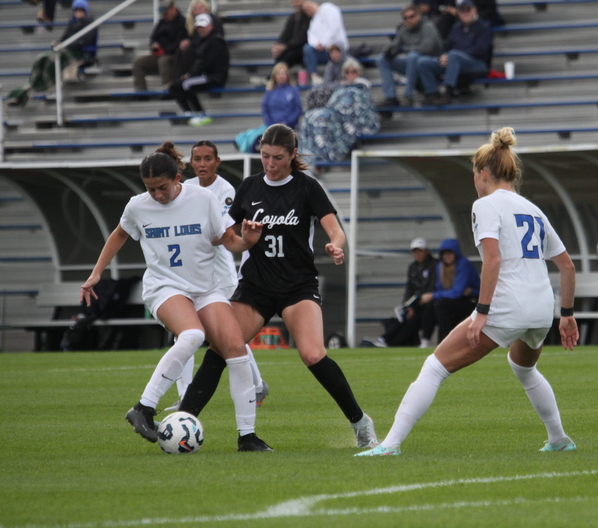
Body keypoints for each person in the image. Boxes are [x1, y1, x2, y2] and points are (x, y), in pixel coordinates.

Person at [356, 127, 579, 457]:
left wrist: (481, 313)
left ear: (483, 173)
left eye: (474, 174)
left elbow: (492, 260)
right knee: (525, 368)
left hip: (509, 306)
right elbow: (567, 267)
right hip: (542, 307)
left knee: (435, 367)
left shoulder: (486, 205)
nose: (474, 181)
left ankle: (390, 444)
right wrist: (567, 316)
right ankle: (559, 438)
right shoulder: (533, 208)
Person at [178, 124, 379, 450]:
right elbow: (227, 237)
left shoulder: (307, 187)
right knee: (222, 348)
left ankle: (360, 423)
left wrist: (336, 245)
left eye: (278, 158)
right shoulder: (250, 187)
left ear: (293, 155)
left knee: (313, 354)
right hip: (256, 286)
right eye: (265, 156)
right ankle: (183, 421)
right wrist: (236, 238)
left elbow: (335, 230)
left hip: (297, 286)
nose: (270, 163)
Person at [79, 142, 272, 452]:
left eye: (162, 187)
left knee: (235, 350)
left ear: (177, 178)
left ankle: (247, 437)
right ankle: (143, 407)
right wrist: (96, 273)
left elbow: (227, 240)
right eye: (150, 189)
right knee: (193, 334)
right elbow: (119, 234)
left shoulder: (204, 198)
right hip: (165, 287)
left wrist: (247, 241)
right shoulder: (137, 206)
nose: (157, 194)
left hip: (205, 289)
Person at [167, 140, 269, 410]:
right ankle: (185, 397)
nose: (202, 164)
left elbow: (219, 231)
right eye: (197, 159)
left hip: (219, 272)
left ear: (217, 161)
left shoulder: (225, 190)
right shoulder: (185, 188)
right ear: (190, 162)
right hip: (190, 270)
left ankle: (257, 385)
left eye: (207, 159)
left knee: (231, 334)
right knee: (187, 332)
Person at [7, 0, 97, 109]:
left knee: (53, 59)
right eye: (77, 10)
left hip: (81, 53)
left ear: (85, 11)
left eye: (81, 10)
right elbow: (65, 37)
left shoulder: (89, 22)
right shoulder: (72, 22)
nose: (79, 12)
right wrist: (58, 44)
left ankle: (42, 86)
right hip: (68, 50)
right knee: (42, 57)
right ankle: (30, 86)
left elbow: (86, 41)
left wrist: (67, 45)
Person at [300, 59, 380, 163]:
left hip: (347, 117)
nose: (350, 74)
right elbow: (333, 102)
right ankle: (311, 156)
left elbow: (362, 106)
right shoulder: (341, 87)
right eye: (347, 72)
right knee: (309, 116)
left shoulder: (362, 87)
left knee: (322, 118)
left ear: (358, 72)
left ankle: (326, 155)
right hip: (334, 111)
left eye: (353, 71)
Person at [415, 0, 493, 106]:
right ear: (458, 12)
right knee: (423, 62)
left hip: (476, 63)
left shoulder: (483, 28)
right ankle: (432, 93)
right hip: (454, 61)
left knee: (454, 55)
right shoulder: (456, 28)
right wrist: (443, 56)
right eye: (462, 10)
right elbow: (448, 47)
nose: (465, 13)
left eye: (468, 10)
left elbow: (480, 51)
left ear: (474, 10)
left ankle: (448, 93)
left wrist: (453, 55)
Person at [367, 237, 439, 348]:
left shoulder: (435, 265)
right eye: (415, 251)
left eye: (420, 251)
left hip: (429, 303)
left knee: (413, 320)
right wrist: (407, 303)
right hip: (416, 304)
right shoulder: (412, 267)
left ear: (426, 251)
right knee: (403, 318)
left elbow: (431, 287)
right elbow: (409, 287)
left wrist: (414, 304)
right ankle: (385, 339)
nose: (417, 254)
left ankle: (388, 341)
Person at [168, 13, 229, 126]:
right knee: (174, 86)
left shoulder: (215, 41)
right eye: (199, 27)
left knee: (186, 84)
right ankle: (189, 113)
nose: (201, 30)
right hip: (205, 75)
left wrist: (191, 74)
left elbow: (207, 63)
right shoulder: (203, 41)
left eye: (203, 26)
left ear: (211, 26)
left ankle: (201, 113)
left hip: (214, 77)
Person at [417, 237, 480, 346]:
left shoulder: (463, 264)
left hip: (472, 302)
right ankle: (425, 340)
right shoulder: (440, 267)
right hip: (453, 301)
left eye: (450, 253)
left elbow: (457, 292)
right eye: (444, 253)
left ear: (456, 253)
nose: (447, 256)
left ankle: (445, 341)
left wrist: (433, 295)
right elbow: (441, 289)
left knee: (441, 305)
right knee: (433, 304)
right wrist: (435, 296)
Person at [376, 5, 443, 108]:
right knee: (382, 59)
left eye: (411, 16)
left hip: (431, 64)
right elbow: (394, 45)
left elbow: (426, 48)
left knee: (413, 56)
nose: (408, 20)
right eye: (405, 18)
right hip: (412, 65)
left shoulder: (428, 27)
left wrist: (403, 49)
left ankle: (408, 94)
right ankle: (390, 97)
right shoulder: (404, 29)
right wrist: (388, 51)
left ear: (418, 16)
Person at [235, 62, 304, 154]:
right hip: (271, 126)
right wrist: (272, 125)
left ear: (287, 75)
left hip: (290, 127)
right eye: (278, 74)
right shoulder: (269, 92)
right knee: (256, 142)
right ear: (274, 76)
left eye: (283, 73)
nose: (281, 76)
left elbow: (297, 110)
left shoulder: (293, 91)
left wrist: (286, 123)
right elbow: (265, 111)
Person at [132, 1, 187, 92]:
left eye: (166, 13)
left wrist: (164, 50)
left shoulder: (182, 23)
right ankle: (141, 91)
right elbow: (154, 37)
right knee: (138, 62)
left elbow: (179, 44)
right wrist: (154, 44)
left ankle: (167, 89)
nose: (164, 16)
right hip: (160, 54)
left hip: (174, 56)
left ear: (173, 9)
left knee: (163, 61)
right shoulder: (162, 22)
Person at [171, 0, 224, 87]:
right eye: (196, 9)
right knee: (180, 52)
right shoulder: (190, 23)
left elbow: (205, 58)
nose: (199, 11)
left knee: (182, 85)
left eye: (201, 8)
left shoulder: (215, 39)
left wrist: (191, 74)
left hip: (212, 73)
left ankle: (184, 78)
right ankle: (177, 78)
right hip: (199, 53)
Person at [301, 1, 349, 85]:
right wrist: (316, 45)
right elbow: (311, 35)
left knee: (336, 51)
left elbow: (333, 27)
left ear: (313, 3)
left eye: (308, 6)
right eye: (305, 10)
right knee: (307, 50)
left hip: (337, 48)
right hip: (325, 51)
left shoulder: (328, 8)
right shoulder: (313, 21)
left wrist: (323, 43)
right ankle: (314, 77)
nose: (308, 9)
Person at [272, 0, 311, 69]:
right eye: (293, 2)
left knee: (289, 55)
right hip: (292, 47)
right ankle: (275, 76)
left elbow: (302, 37)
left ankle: (277, 76)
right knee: (280, 54)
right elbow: (285, 34)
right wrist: (278, 45)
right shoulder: (293, 18)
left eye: (297, 1)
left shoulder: (308, 17)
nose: (295, 4)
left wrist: (286, 47)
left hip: (304, 48)